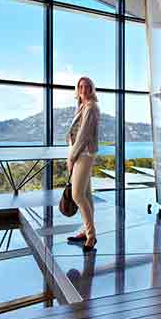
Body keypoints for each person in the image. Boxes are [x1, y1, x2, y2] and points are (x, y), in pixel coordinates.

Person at [66, 76, 100, 252]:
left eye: (87, 86)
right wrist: (71, 154)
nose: (84, 89)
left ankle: (91, 235)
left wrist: (72, 157)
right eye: (81, 86)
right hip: (81, 153)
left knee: (77, 195)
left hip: (84, 154)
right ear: (77, 89)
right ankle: (85, 231)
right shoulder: (82, 107)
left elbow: (84, 135)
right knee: (86, 194)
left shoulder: (91, 107)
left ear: (92, 89)